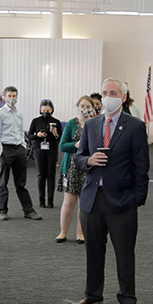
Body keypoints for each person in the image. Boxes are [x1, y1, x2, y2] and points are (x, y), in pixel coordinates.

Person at [69, 77, 150, 304]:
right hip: (92, 199)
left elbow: (142, 167)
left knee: (124, 253)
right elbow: (79, 157)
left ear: (123, 97)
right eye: (104, 92)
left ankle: (128, 299)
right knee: (93, 251)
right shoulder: (92, 125)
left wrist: (137, 198)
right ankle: (93, 295)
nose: (107, 97)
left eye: (113, 92)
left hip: (122, 202)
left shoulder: (135, 126)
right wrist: (88, 160)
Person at [0, 86, 40, 221]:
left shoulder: (19, 113)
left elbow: (20, 131)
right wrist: (0, 152)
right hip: (5, 150)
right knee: (3, 182)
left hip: (19, 149)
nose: (12, 99)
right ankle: (2, 211)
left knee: (21, 183)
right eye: (9, 96)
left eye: (14, 96)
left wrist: (23, 147)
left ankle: (28, 210)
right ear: (4, 97)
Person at [56, 96, 94, 243]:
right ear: (78, 106)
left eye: (88, 106)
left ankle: (80, 233)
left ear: (92, 108)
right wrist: (75, 145)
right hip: (71, 167)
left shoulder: (95, 123)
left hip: (88, 167)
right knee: (69, 202)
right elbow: (62, 145)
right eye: (82, 106)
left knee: (83, 203)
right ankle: (63, 232)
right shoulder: (72, 123)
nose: (85, 109)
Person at [30, 99, 63, 209]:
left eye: (48, 110)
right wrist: (37, 135)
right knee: (41, 174)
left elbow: (61, 138)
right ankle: (41, 200)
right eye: (43, 110)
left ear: (52, 110)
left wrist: (56, 134)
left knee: (51, 174)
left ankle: (50, 200)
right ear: (40, 110)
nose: (46, 112)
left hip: (52, 148)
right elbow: (29, 136)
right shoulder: (35, 121)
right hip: (39, 148)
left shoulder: (56, 122)